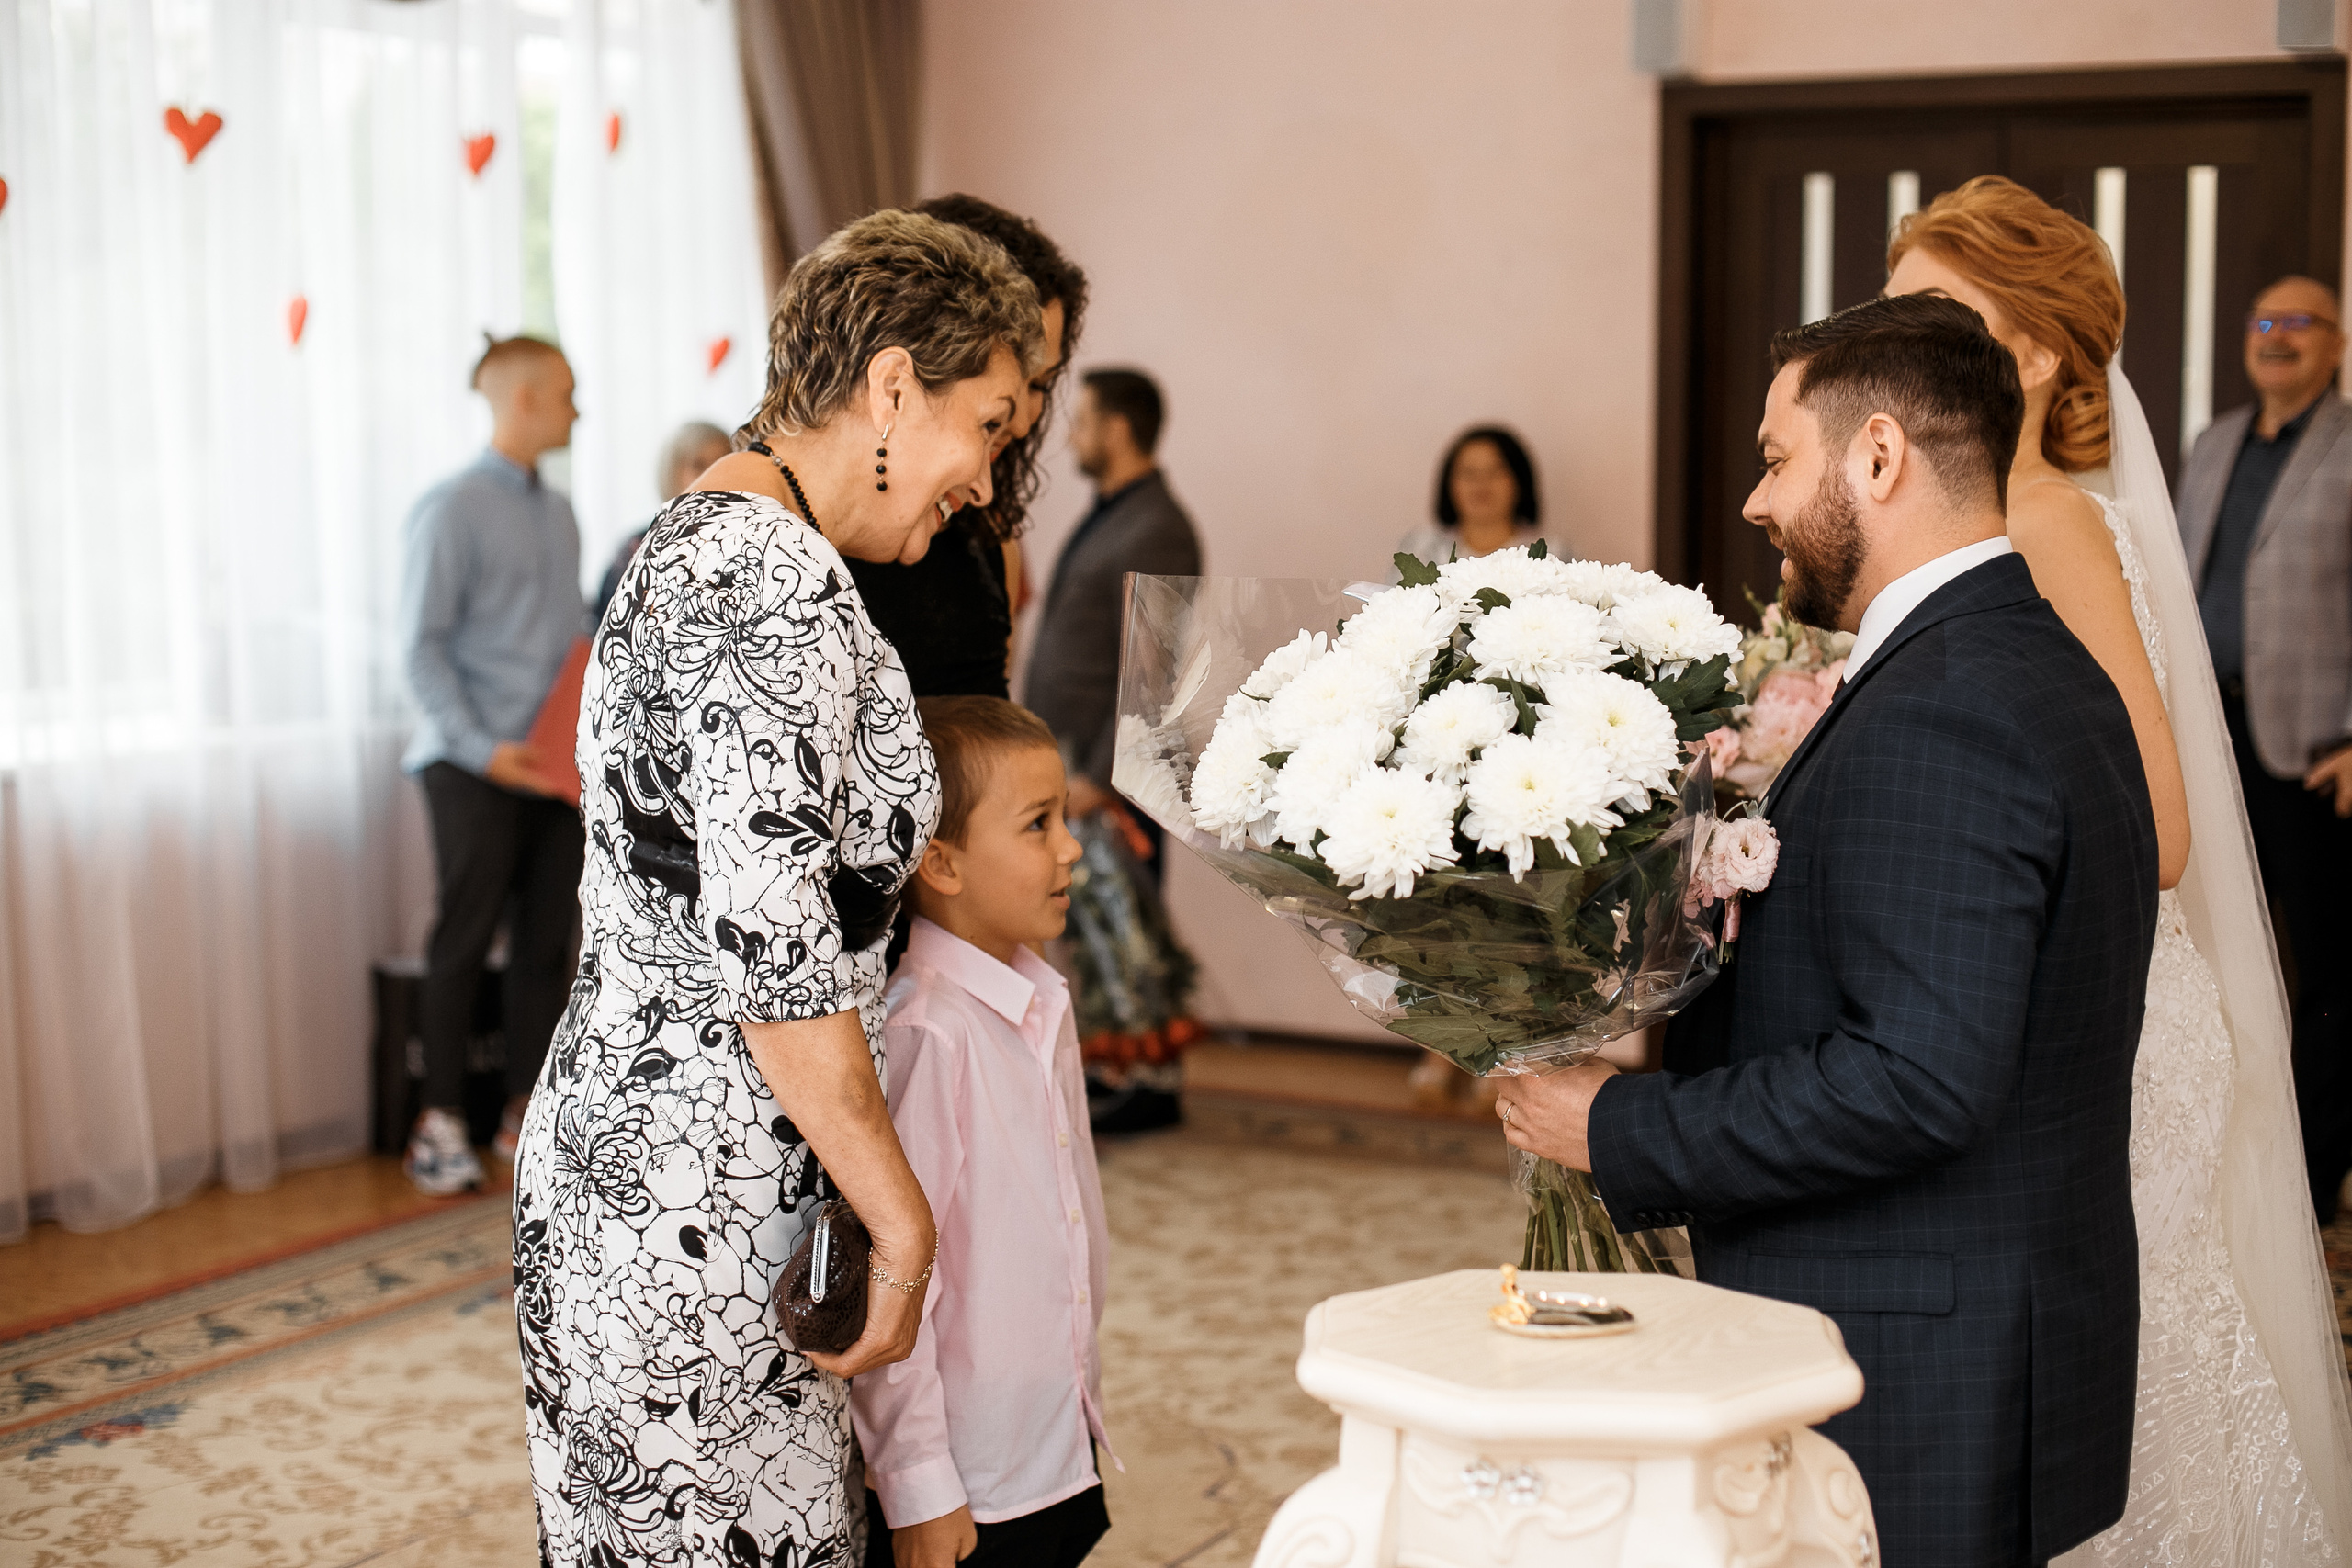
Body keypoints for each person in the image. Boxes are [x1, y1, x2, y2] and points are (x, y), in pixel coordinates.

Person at [1498, 295, 2160, 1566]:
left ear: (1876, 456)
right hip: (1971, 1318)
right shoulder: (2014, 660)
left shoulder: (1950, 706)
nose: (1757, 500)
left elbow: (1919, 1078)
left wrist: (1615, 1125)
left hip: (1912, 1350)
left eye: (1775, 455)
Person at [511, 209, 1043, 1567]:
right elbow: (782, 965)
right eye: (984, 423)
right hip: (695, 1186)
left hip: (663, 1156)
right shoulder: (772, 581)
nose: (986, 478)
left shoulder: (709, 538)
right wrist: (906, 1226)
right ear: (888, 388)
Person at [1885, 183, 2352, 1564]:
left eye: (1939, 318)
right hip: (2029, 1013)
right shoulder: (1970, 518)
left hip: (2097, 1032)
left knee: (2122, 1401)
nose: (1900, 343)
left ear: (2035, 353)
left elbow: (2158, 826)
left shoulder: (2051, 520)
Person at [853, 696, 1113, 1568]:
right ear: (942, 861)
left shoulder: (1039, 1002)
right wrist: (920, 1481)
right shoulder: (929, 1032)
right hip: (976, 1474)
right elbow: (896, 1280)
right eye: (1038, 824)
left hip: (1052, 1436)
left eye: (1065, 817)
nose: (1070, 847)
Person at [399, 334, 586, 1195]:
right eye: (565, 393)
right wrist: (484, 750)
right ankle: (437, 1123)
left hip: (548, 767)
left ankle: (527, 1115)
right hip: (471, 765)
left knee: (549, 945)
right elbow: (420, 652)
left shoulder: (560, 513)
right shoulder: (450, 509)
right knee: (464, 940)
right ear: (521, 401)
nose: (577, 409)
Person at [2182, 275, 2352, 1225]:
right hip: (2215, 744)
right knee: (2215, 955)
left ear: (2335, 345)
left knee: (2324, 971)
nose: (2278, 337)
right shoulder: (2212, 445)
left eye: (2301, 323)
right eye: (2264, 321)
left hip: (2314, 751)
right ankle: (2227, 1160)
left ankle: (2315, 1174)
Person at [1023, 367, 1202, 1131]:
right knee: (1096, 925)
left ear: (1119, 429)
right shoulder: (1117, 512)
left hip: (1105, 771)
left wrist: (1098, 775)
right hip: (1072, 759)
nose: (1071, 434)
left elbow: (1151, 671)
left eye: (1084, 419)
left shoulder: (1156, 523)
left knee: (1124, 923)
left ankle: (1149, 1086)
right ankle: (1119, 1070)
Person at [849, 194, 1088, 699]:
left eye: (1042, 386)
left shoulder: (992, 544)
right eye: (1013, 378)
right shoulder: (799, 546)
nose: (1021, 421)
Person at [592, 420, 735, 624]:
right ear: (672, 471)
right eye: (699, 465)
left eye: (721, 463)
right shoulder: (638, 549)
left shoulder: (747, 545)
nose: (712, 474)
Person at [1391, 424, 1544, 580]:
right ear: (1449, 484)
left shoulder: (1548, 554)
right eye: (1469, 473)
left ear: (1520, 480)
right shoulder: (1421, 548)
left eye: (1495, 471)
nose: (1481, 483)